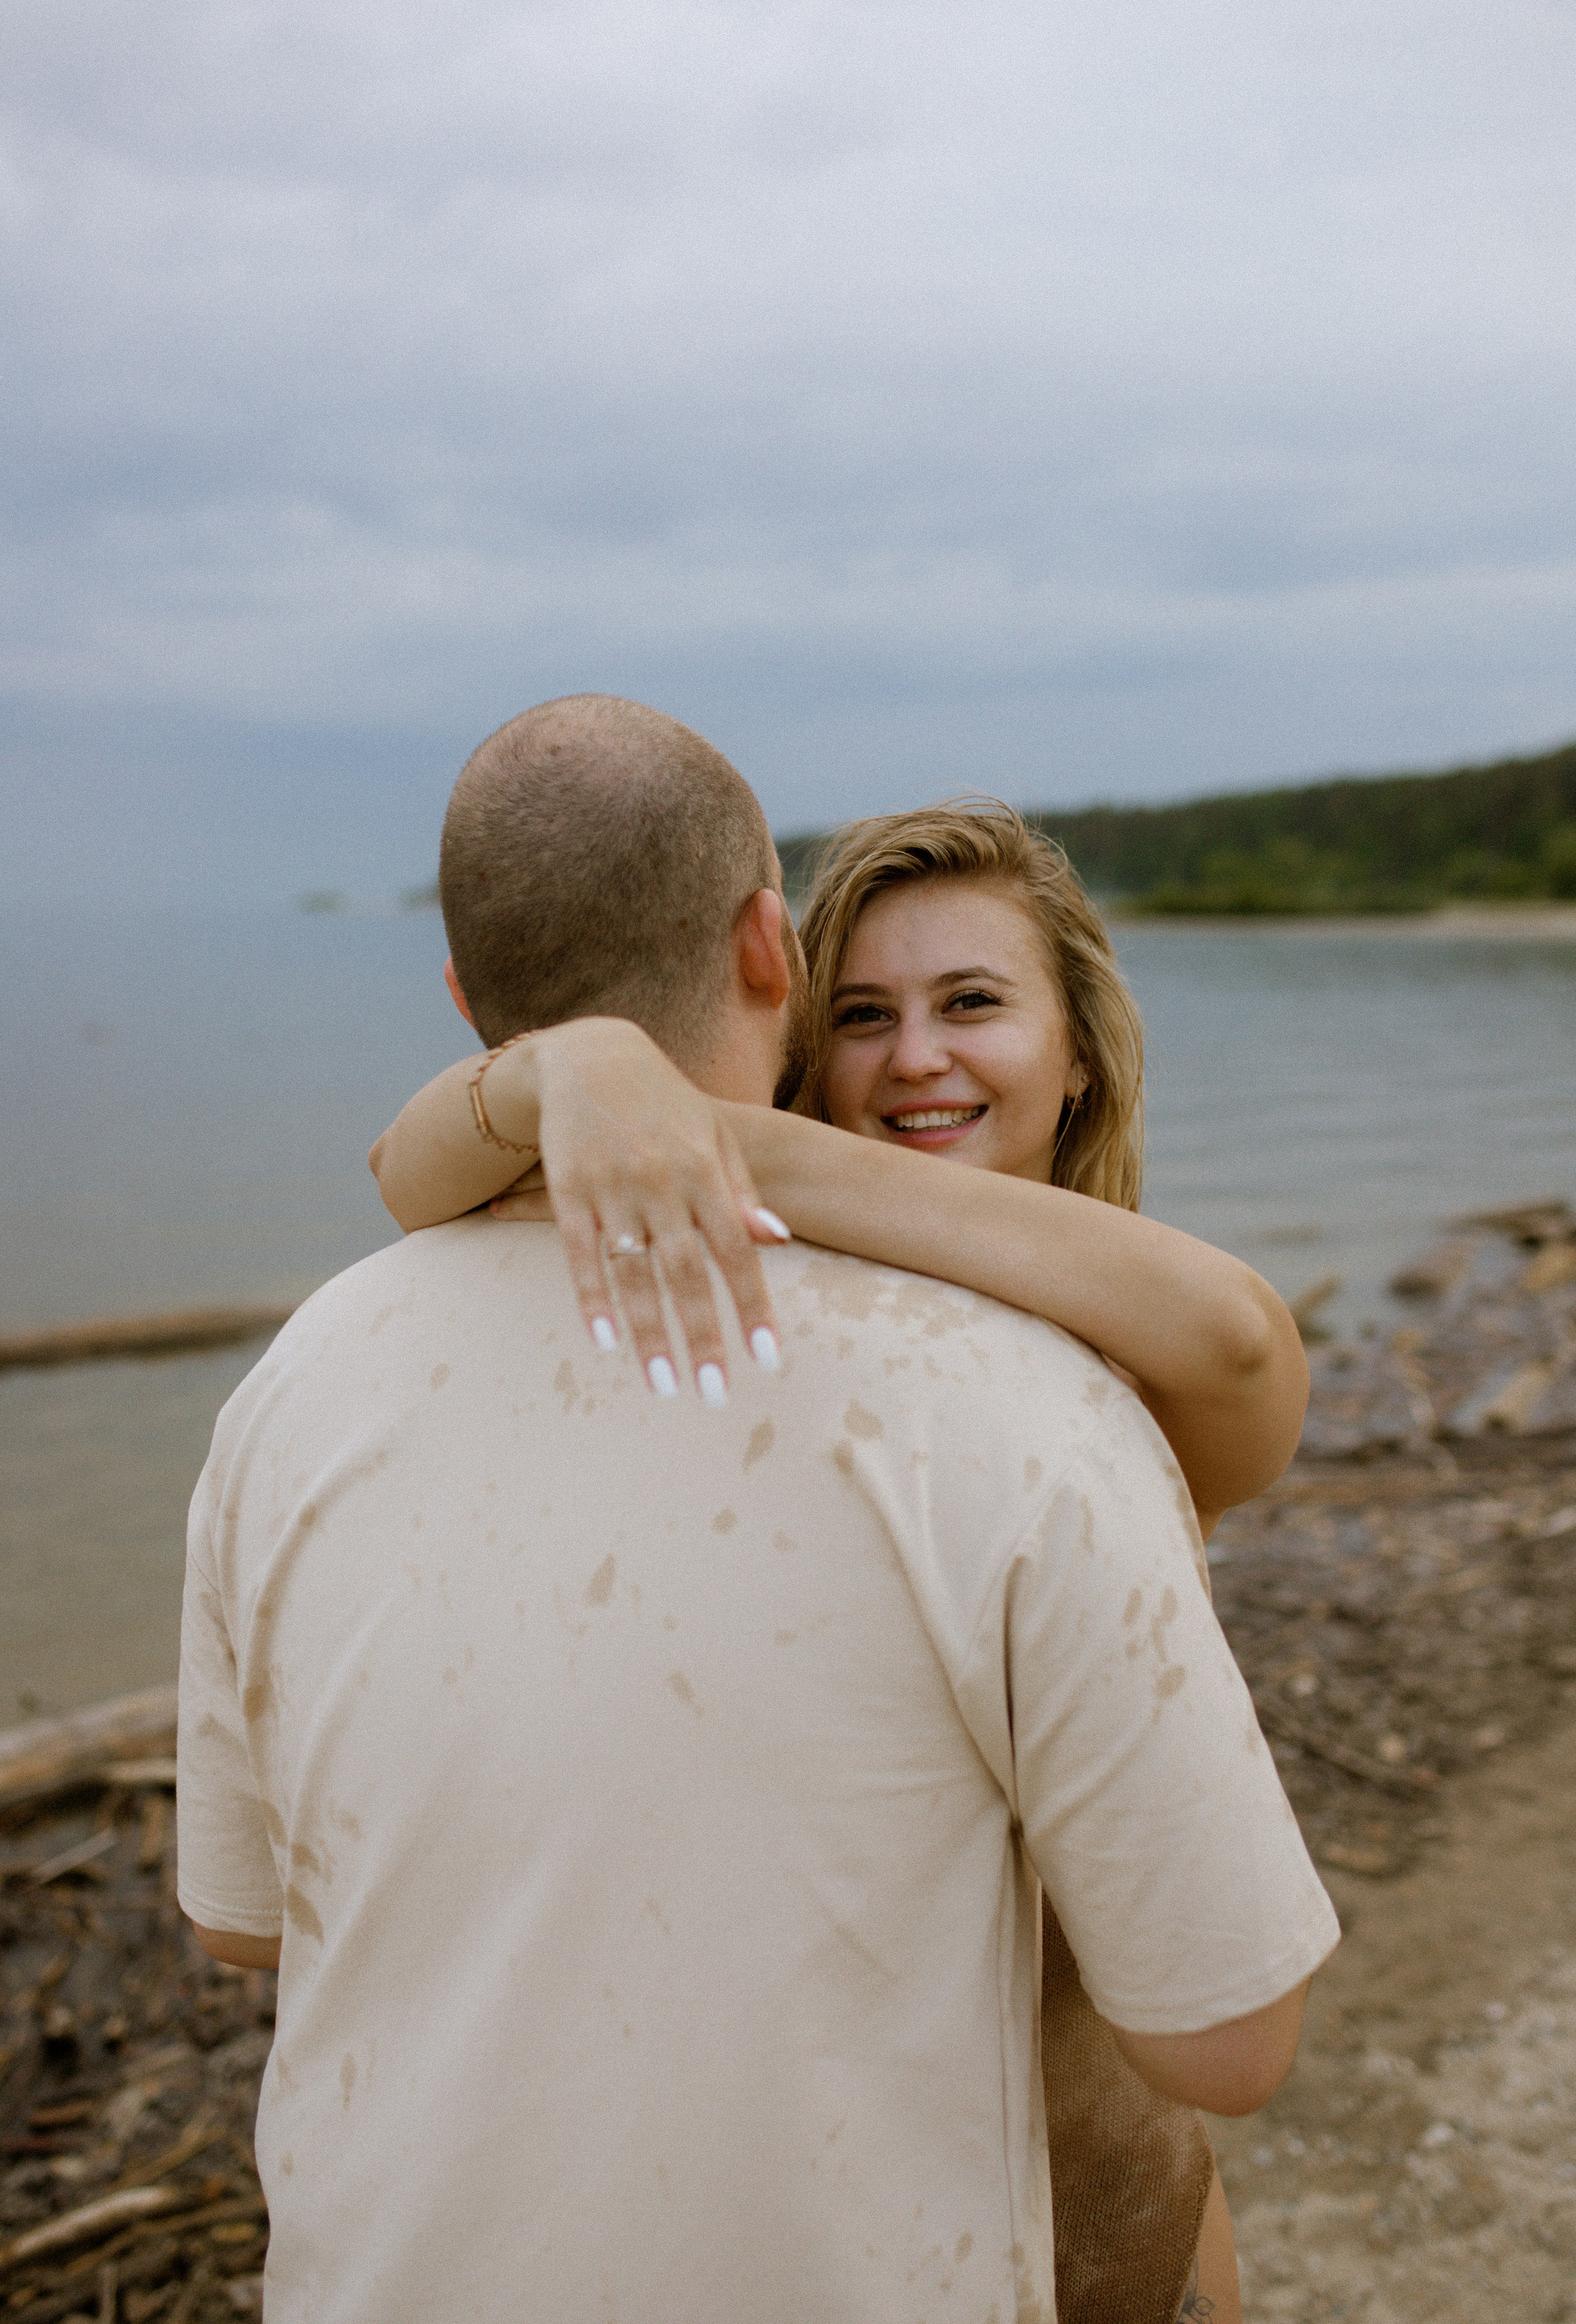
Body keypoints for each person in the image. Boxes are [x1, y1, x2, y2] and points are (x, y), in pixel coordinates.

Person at [179, 696, 1338, 2324]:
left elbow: (1235, 1339)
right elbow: (404, 1165)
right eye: (865, 1011)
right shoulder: (987, 1400)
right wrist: (580, 1078)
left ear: (1083, 1046)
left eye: (977, 1001)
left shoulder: (1097, 1377)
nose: (917, 1053)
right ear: (776, 974)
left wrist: (694, 1118)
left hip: (1107, 2220)